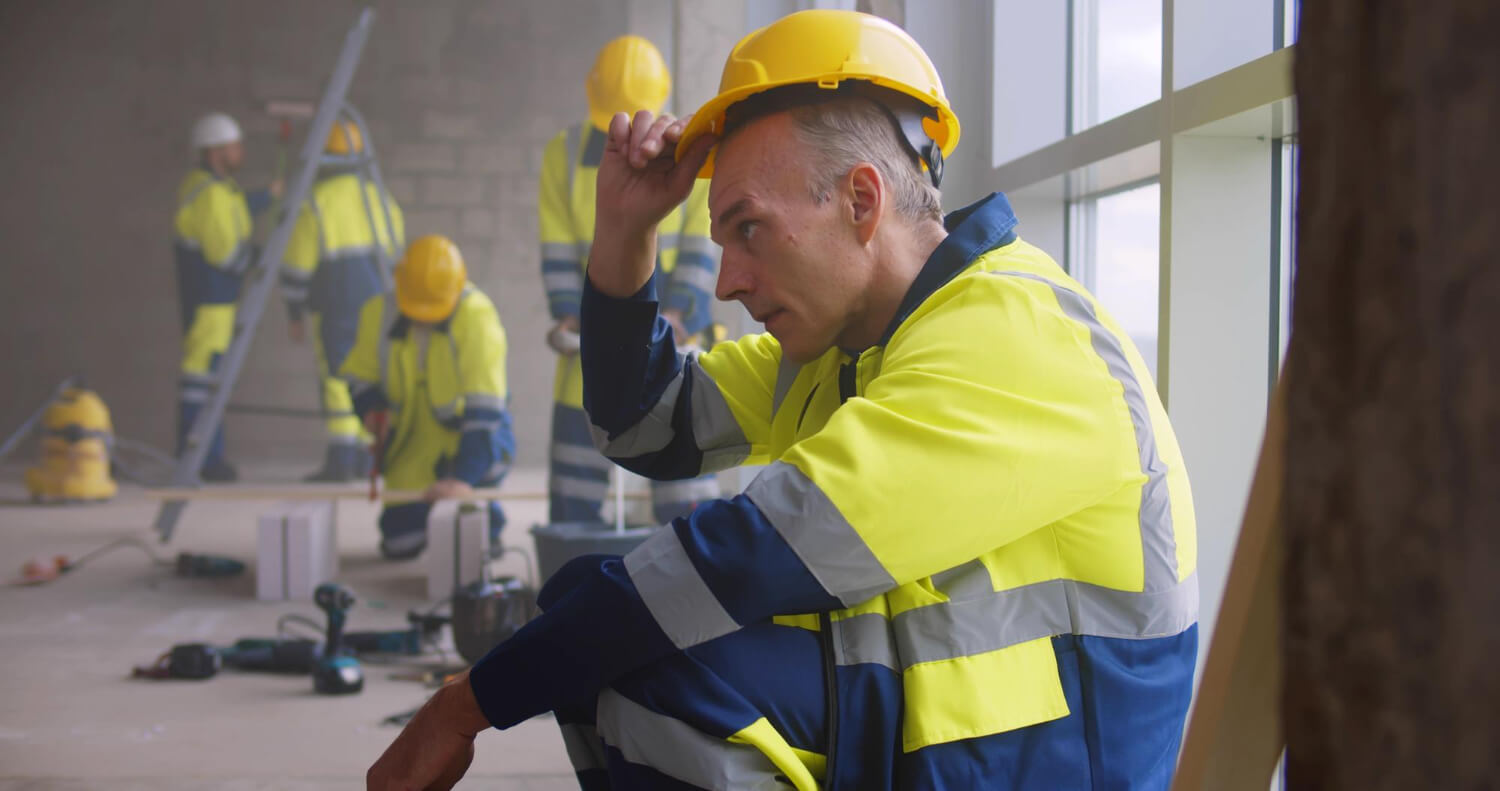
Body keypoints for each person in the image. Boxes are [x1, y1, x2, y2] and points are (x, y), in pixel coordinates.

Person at [369, 10, 1199, 790]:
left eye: (749, 228)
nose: (727, 281)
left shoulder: (1013, 334)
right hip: (955, 709)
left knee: (656, 660)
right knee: (590, 608)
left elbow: (748, 554)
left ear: (861, 202)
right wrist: (625, 233)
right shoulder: (859, 343)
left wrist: (468, 703)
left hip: (1057, 750)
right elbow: (644, 424)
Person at [539, 34, 721, 525]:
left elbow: (701, 248)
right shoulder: (565, 153)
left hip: (675, 340)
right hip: (589, 339)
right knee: (577, 478)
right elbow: (555, 245)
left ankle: (686, 575)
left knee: (683, 481)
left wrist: (680, 313)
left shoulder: (690, 152)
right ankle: (572, 558)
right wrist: (566, 317)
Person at [340, 235, 514, 560]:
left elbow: (485, 410)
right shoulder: (378, 313)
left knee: (473, 548)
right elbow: (357, 376)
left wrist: (463, 479)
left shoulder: (477, 317)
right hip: (411, 443)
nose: (424, 317)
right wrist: (372, 409)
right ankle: (424, 521)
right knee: (399, 544)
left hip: (468, 439)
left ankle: (488, 520)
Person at [282, 120, 405, 482]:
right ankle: (369, 456)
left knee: (336, 377)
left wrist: (293, 311)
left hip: (335, 303)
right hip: (379, 303)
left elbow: (296, 266)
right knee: (370, 373)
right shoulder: (380, 198)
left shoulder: (315, 203)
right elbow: (398, 255)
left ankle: (341, 458)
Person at [173, 112, 280, 482]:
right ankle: (200, 459)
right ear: (217, 151)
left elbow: (237, 209)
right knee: (202, 382)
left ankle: (204, 457)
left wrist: (267, 196)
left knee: (207, 380)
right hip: (210, 305)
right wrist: (264, 256)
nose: (240, 151)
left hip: (215, 303)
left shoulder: (216, 189)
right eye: (235, 145)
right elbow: (227, 255)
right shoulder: (211, 195)